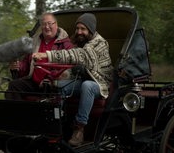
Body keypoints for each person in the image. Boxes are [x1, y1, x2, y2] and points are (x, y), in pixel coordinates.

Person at [32, 13, 113, 146]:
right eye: (77, 28)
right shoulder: (78, 42)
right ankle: (59, 124)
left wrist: (46, 55)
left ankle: (79, 128)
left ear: (91, 30)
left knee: (87, 85)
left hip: (99, 83)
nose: (79, 32)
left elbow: (75, 55)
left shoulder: (99, 43)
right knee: (60, 86)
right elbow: (72, 63)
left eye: (83, 29)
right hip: (83, 79)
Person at [6, 12, 73, 99]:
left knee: (48, 87)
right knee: (13, 85)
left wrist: (50, 79)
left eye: (49, 24)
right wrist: (18, 67)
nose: (47, 27)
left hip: (53, 83)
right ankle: (18, 112)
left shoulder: (66, 44)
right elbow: (26, 64)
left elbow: (66, 69)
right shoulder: (35, 42)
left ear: (56, 25)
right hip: (34, 82)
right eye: (44, 24)